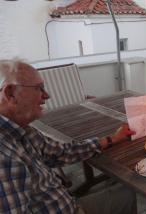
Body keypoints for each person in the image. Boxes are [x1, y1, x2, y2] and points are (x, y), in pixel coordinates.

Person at [0, 59, 137, 214]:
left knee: (126, 192)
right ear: (10, 93)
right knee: (127, 193)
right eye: (39, 88)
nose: (47, 95)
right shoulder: (5, 158)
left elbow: (62, 152)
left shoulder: (23, 131)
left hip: (65, 203)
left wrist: (112, 139)